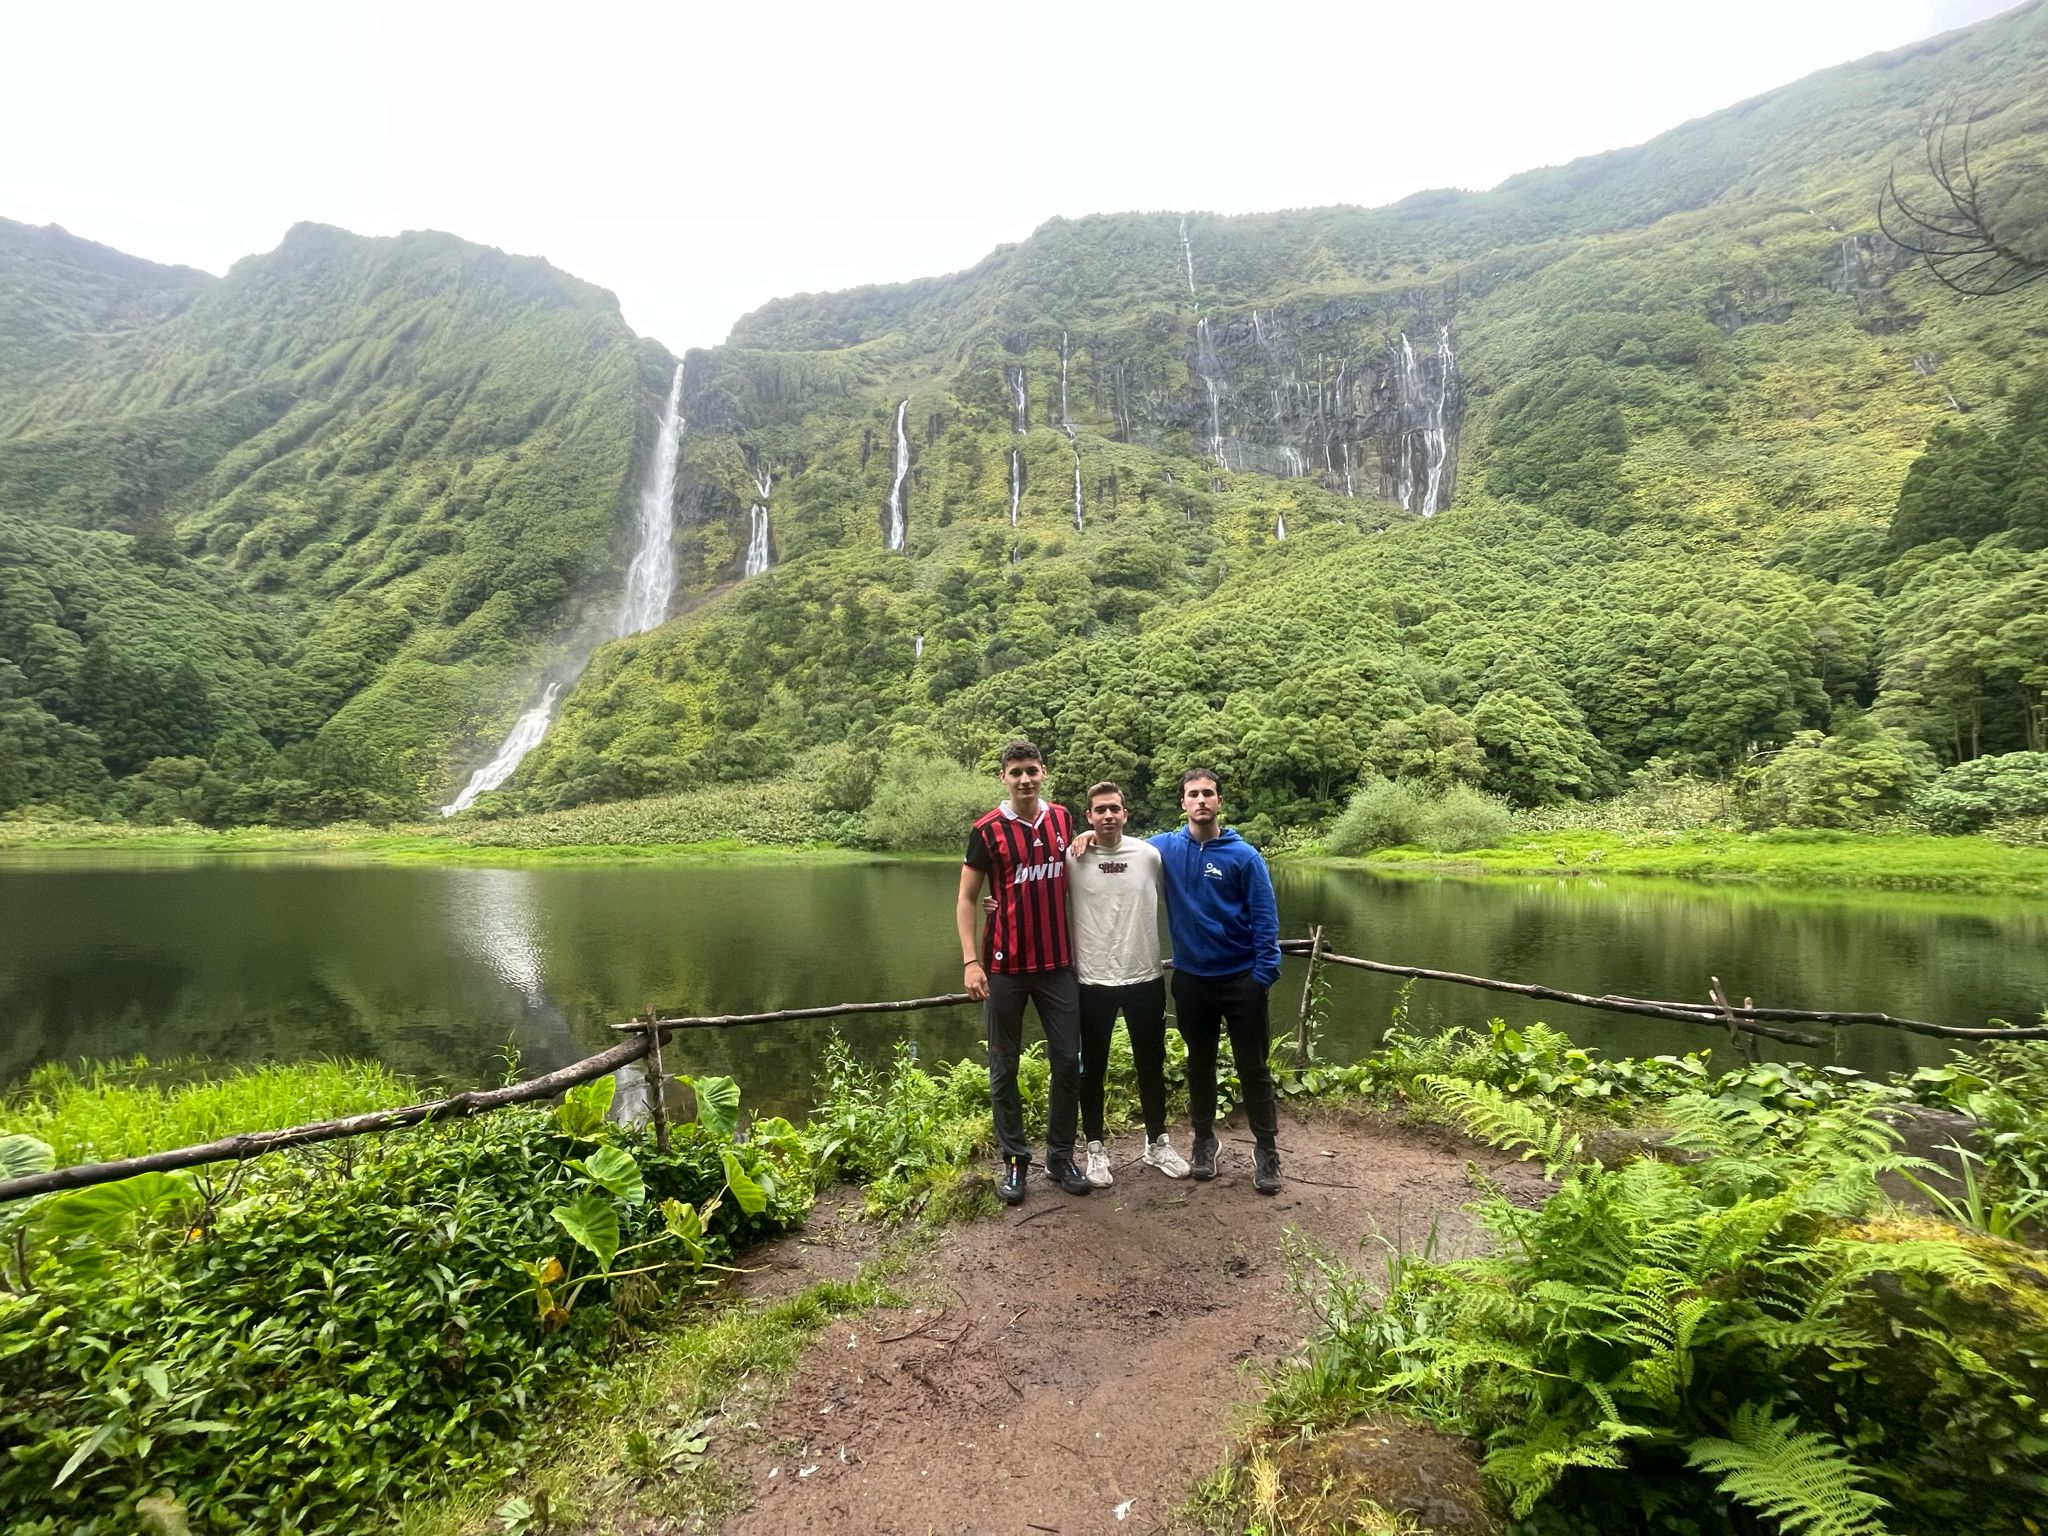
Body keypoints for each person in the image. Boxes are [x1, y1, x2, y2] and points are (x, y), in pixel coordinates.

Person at [955, 740, 1091, 1204]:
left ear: (1044, 773)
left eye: (1031, 770)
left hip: (1057, 966)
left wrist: (1088, 839)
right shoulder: (987, 830)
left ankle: (1060, 1157)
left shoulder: (1062, 819)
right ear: (1003, 778)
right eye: (1016, 772)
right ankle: (1015, 1163)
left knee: (1068, 1062)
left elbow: (1075, 868)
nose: (1025, 779)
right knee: (1003, 1068)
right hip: (1003, 969)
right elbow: (968, 899)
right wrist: (971, 962)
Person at [1149, 767, 1284, 1194]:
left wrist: (1263, 976)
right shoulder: (1165, 849)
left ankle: (1266, 1150)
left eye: (1209, 793)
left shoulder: (1244, 856)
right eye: (1194, 794)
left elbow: (1266, 921)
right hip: (1192, 981)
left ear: (1219, 802)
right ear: (1183, 804)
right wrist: (1087, 840)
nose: (1202, 800)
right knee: (1199, 1064)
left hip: (1242, 980)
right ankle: (1204, 1140)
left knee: (1254, 1068)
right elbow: (1120, 849)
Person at [1064, 781, 1191, 1185]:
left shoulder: (1149, 855)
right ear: (1089, 816)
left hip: (1144, 976)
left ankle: (1157, 1143)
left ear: (1125, 813)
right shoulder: (1071, 857)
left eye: (1114, 809)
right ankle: (1096, 1150)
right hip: (1091, 979)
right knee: (1093, 1069)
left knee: (1150, 1064)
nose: (1107, 816)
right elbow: (1034, 892)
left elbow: (1183, 892)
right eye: (1099, 810)